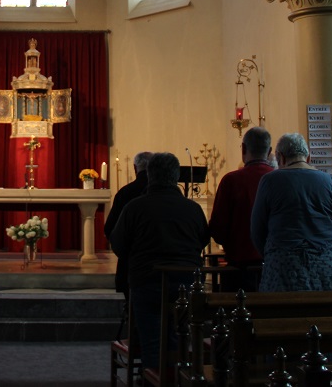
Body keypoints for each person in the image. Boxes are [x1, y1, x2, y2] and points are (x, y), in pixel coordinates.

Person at [109, 152, 208, 371]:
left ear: (150, 175)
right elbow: (203, 239)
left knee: (151, 342)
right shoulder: (192, 209)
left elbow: (118, 244)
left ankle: (154, 377)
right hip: (186, 283)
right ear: (176, 176)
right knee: (180, 337)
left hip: (147, 282)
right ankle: (178, 376)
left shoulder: (135, 208)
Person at [251, 133, 332, 292]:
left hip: (282, 270)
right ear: (308, 157)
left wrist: (275, 253)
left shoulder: (269, 181)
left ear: (281, 157)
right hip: (327, 270)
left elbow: (257, 231)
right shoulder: (331, 182)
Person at [209, 127, 275, 292]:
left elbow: (218, 229)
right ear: (269, 151)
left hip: (239, 270)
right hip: (274, 268)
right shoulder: (280, 180)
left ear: (244, 149)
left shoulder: (231, 181)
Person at [103, 151, 153, 299]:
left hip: (131, 264)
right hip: (163, 268)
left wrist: (124, 253)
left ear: (135, 168)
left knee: (131, 304)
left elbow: (110, 228)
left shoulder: (126, 192)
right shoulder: (171, 196)